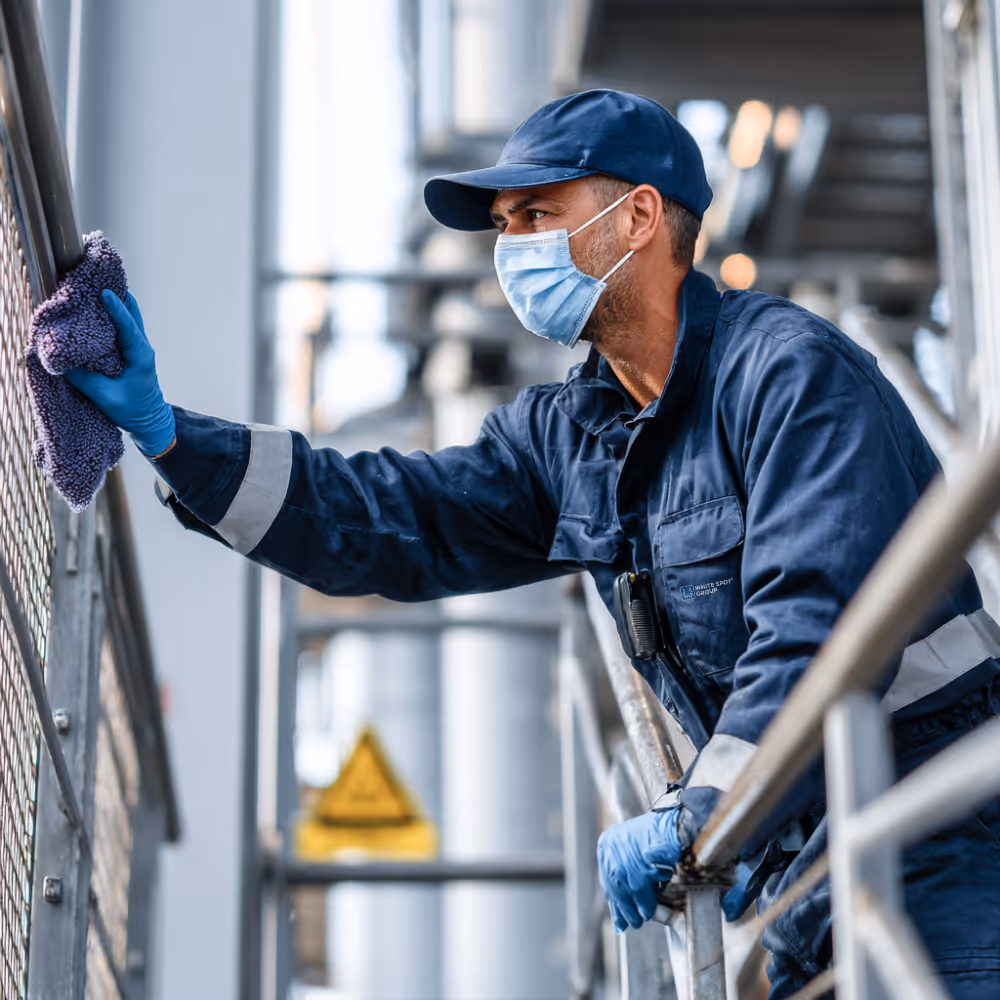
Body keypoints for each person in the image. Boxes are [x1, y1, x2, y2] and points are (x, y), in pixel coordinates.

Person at [64, 89, 1000, 996]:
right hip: (808, 868)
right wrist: (171, 438)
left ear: (637, 219)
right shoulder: (573, 433)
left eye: (537, 213)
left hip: (946, 834)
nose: (510, 248)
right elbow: (398, 519)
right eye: (504, 224)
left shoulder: (790, 376)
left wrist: (697, 816)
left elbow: (819, 633)